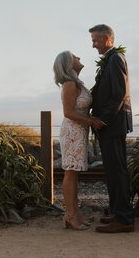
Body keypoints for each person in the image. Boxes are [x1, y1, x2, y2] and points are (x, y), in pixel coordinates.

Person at [89, 24, 134, 233]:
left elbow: (118, 94)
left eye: (95, 41)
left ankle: (124, 219)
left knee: (117, 172)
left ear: (107, 39)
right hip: (112, 125)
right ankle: (118, 212)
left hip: (113, 125)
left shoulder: (116, 59)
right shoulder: (112, 59)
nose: (93, 45)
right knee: (113, 172)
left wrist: (102, 120)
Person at [53, 51, 93, 230]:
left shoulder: (76, 83)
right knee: (70, 172)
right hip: (72, 132)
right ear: (69, 64)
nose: (79, 58)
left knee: (74, 174)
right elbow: (68, 112)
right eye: (75, 57)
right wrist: (92, 121)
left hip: (80, 131)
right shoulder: (69, 84)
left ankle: (75, 214)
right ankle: (70, 215)